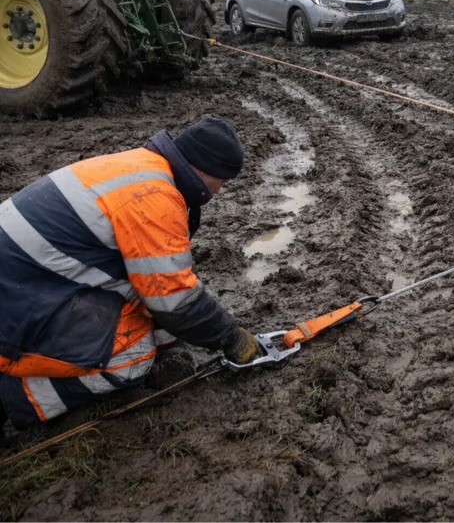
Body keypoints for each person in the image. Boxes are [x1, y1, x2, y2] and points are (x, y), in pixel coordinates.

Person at [0, 116, 260, 429]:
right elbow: (175, 301)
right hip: (15, 300)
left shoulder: (142, 167)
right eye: (222, 181)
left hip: (33, 276)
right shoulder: (156, 198)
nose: (219, 191)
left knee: (149, 297)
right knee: (133, 357)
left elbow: (156, 281)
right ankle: (13, 396)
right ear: (205, 170)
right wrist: (231, 338)